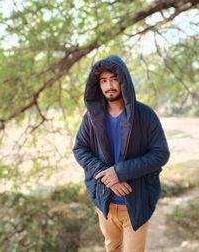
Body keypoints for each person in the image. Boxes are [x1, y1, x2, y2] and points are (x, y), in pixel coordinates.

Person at [73, 55, 170, 252]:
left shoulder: (145, 115)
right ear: (98, 85)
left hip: (136, 202)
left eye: (114, 79)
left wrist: (120, 172)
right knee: (112, 247)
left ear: (123, 80)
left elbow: (160, 154)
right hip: (105, 202)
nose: (109, 85)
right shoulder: (91, 118)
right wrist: (107, 175)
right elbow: (80, 149)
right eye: (103, 80)